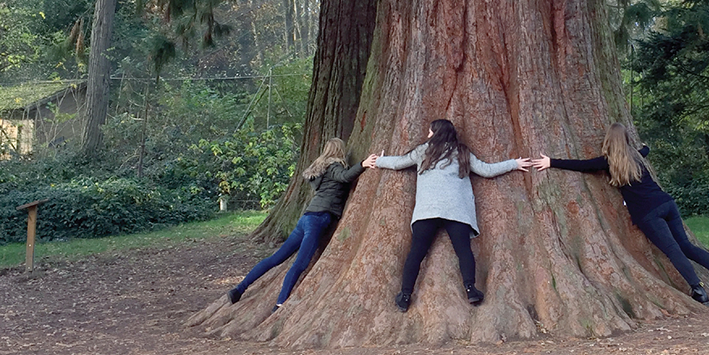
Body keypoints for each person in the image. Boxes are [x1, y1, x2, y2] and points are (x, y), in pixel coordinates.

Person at [532, 123, 709, 306]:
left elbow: (581, 165)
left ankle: (699, 291)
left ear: (608, 141)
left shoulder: (608, 162)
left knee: (673, 250)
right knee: (686, 246)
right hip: (666, 203)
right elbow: (645, 149)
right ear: (626, 139)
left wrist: (551, 162)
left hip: (648, 213)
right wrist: (644, 145)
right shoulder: (638, 155)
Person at [366, 119, 530, 312]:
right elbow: (487, 170)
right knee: (463, 251)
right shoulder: (461, 152)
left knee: (417, 252)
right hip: (456, 210)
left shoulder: (423, 151)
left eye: (430, 131)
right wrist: (514, 163)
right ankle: (471, 290)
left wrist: (379, 160)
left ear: (436, 133)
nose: (428, 135)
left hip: (428, 210)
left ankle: (405, 295)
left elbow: (399, 163)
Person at [227, 138, 377, 312]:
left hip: (306, 218)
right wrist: (363, 164)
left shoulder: (320, 169)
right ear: (339, 151)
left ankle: (239, 289)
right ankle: (280, 304)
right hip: (318, 219)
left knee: (275, 259)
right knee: (300, 264)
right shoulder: (335, 166)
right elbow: (345, 177)